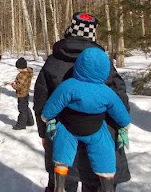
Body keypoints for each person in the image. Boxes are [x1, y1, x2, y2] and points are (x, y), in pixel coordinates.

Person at [33, 12, 130, 192]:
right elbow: (120, 98)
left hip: (62, 134)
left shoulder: (53, 62)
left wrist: (43, 132)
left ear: (70, 30)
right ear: (93, 35)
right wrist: (120, 130)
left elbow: (41, 100)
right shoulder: (104, 62)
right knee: (99, 183)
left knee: (61, 182)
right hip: (101, 135)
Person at [10, 57, 35, 130]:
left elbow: (19, 86)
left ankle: (21, 125)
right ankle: (30, 121)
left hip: (22, 94)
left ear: (21, 67)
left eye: (18, 68)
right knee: (25, 107)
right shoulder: (28, 73)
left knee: (22, 110)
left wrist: (13, 85)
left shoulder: (23, 75)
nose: (17, 69)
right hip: (26, 93)